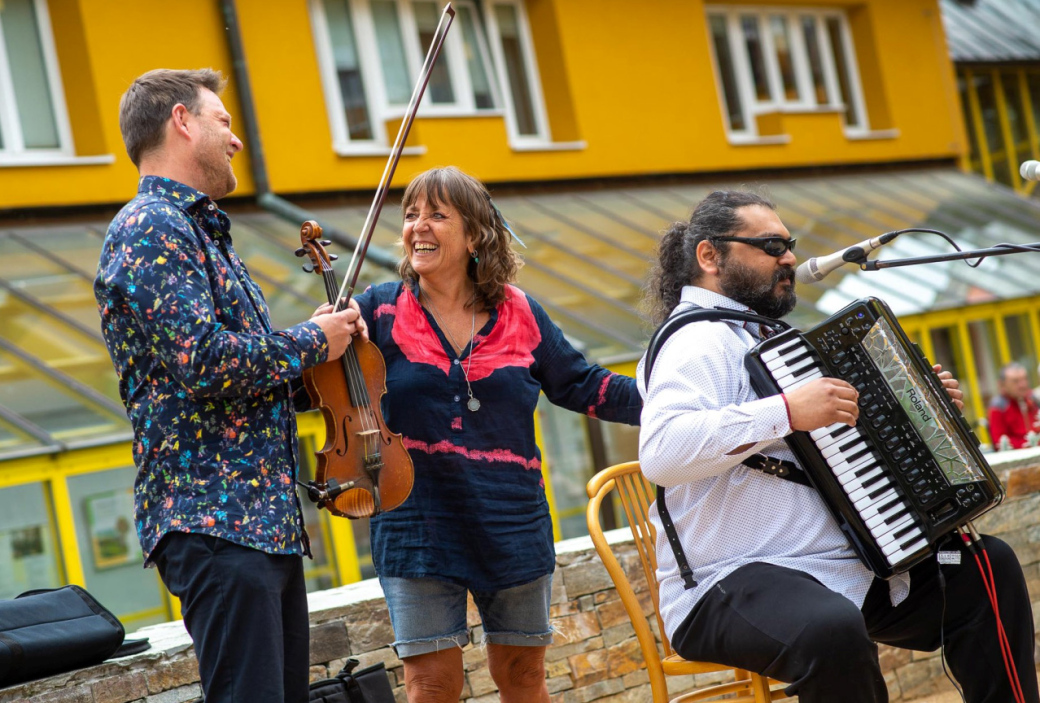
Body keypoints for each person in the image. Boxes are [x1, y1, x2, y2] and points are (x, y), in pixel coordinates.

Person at [638, 190, 1037, 703]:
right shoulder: (695, 343)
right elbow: (663, 452)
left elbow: (843, 447)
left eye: (790, 244)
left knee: (987, 568)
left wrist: (922, 407)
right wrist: (787, 410)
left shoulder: (764, 336)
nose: (789, 258)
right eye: (771, 245)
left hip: (835, 567)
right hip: (728, 581)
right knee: (830, 629)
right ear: (710, 257)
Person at [94, 69, 366, 703]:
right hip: (215, 520)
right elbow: (209, 362)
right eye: (224, 121)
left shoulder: (200, 233)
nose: (237, 140)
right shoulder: (152, 229)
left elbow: (249, 379)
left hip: (257, 521)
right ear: (182, 121)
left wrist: (332, 372)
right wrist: (311, 341)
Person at [352, 166, 642, 702]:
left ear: (475, 235)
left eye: (438, 215)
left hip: (510, 521)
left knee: (523, 679)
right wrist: (322, 344)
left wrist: (674, 401)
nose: (419, 226)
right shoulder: (378, 309)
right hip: (417, 524)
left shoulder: (519, 311)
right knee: (430, 685)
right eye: (412, 214)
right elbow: (319, 395)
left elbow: (586, 386)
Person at [988, 362, 1040, 450]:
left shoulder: (1034, 399)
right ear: (1002, 385)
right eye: (1015, 381)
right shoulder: (999, 407)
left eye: (1025, 379)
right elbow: (999, 442)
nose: (1022, 385)